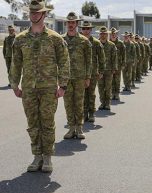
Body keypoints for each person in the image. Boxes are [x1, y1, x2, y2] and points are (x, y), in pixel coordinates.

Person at [9, 0, 70, 172]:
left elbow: (64, 62)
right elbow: (16, 63)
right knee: (33, 123)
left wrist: (63, 85)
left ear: (44, 15)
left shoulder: (55, 38)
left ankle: (48, 158)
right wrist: (15, 84)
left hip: (49, 88)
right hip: (28, 88)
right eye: (32, 12)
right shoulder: (20, 39)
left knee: (47, 123)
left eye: (37, 12)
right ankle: (37, 157)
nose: (34, 15)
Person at [62, 12, 92, 140]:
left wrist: (88, 77)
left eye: (73, 22)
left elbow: (88, 60)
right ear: (66, 24)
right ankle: (71, 128)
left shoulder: (84, 41)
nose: (70, 25)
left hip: (80, 77)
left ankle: (79, 128)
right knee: (68, 103)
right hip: (66, 78)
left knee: (79, 103)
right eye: (69, 22)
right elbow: (57, 59)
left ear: (77, 24)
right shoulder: (61, 40)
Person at [80, 21, 106, 122]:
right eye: (84, 29)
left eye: (87, 29)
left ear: (91, 30)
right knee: (82, 95)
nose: (86, 31)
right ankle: (84, 113)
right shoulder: (79, 41)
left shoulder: (96, 42)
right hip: (80, 73)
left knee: (91, 94)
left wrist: (101, 71)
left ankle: (91, 113)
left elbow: (102, 58)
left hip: (93, 73)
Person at [97, 26, 117, 110]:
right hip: (99, 70)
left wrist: (114, 68)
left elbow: (114, 57)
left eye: (104, 33)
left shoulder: (111, 45)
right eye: (101, 33)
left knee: (108, 87)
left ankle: (107, 103)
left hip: (109, 70)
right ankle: (102, 103)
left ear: (107, 34)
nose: (103, 35)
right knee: (100, 87)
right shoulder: (96, 44)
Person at [110, 27, 125, 101]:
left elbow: (123, 54)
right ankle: (112, 93)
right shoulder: (108, 42)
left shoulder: (120, 43)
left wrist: (123, 64)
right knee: (111, 80)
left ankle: (117, 94)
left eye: (114, 33)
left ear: (116, 34)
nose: (113, 35)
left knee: (117, 80)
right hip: (109, 66)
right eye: (112, 34)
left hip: (118, 65)